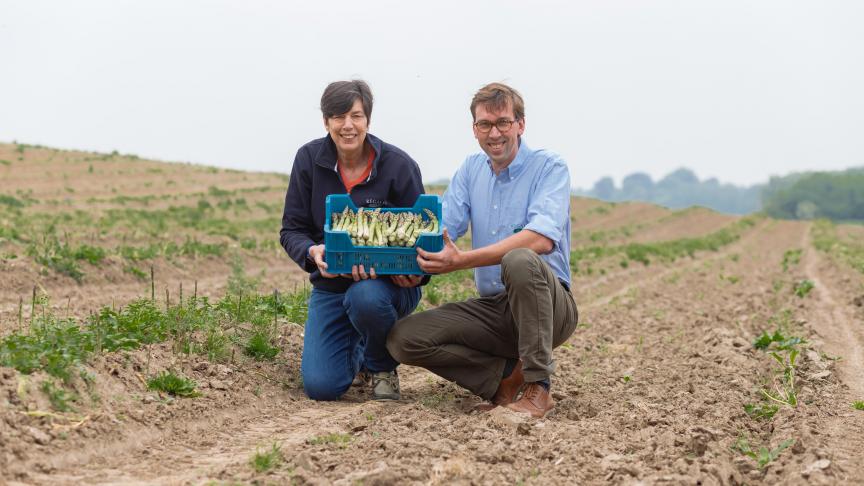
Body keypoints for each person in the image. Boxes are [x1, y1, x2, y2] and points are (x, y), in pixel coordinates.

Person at [386, 82, 578, 418]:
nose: (495, 133)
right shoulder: (471, 169)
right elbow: (439, 228)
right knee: (404, 338)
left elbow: (540, 240)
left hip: (548, 306)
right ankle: (503, 382)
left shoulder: (549, 168)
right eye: (484, 124)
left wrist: (461, 261)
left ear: (521, 124)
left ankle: (538, 387)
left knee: (520, 259)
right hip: (496, 310)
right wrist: (392, 254)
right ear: (474, 129)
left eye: (503, 122)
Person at [280, 80, 426, 401]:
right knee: (322, 387)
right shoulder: (308, 160)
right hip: (332, 285)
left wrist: (416, 273)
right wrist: (312, 251)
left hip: (387, 288)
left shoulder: (399, 166)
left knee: (366, 299)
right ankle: (361, 344)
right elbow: (291, 229)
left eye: (356, 116)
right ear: (326, 121)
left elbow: (424, 236)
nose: (348, 125)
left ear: (368, 120)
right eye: (338, 116)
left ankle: (381, 364)